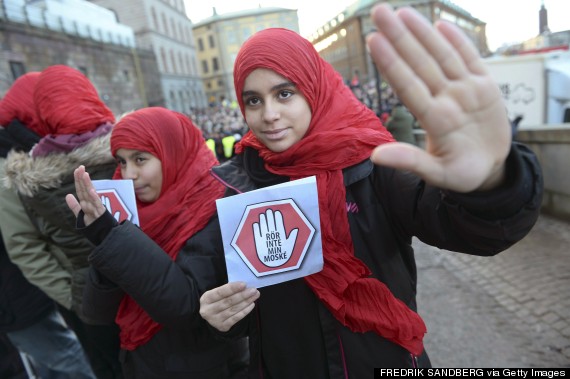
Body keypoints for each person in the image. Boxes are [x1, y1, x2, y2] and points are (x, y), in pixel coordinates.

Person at [198, 4, 543, 376]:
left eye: (285, 94)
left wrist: (492, 182)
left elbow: (465, 228)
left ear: (314, 89)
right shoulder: (236, 187)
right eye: (253, 99)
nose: (268, 114)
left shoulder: (374, 163)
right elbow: (248, 304)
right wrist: (222, 317)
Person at [65, 107, 249, 378]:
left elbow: (184, 308)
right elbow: (96, 312)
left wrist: (112, 238)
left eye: (140, 159)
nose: (129, 175)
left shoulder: (215, 208)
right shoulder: (127, 212)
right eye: (122, 161)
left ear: (172, 152)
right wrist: (107, 239)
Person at [3, 65, 123, 379]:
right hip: (126, 285)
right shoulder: (124, 149)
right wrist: (71, 295)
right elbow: (24, 247)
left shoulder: (32, 171)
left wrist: (75, 296)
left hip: (89, 295)